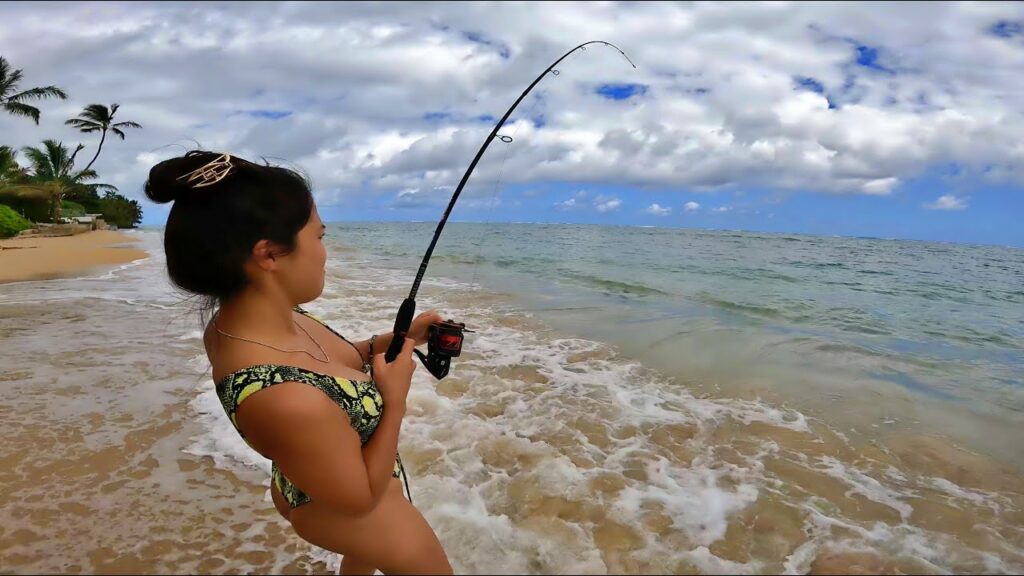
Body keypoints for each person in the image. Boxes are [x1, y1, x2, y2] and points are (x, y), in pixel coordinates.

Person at [145, 151, 453, 575]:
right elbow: (359, 499)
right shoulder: (284, 399)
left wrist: (400, 338)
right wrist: (394, 399)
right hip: (349, 503)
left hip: (319, 472)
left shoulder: (260, 319)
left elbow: (331, 363)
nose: (326, 253)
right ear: (269, 255)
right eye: (320, 237)